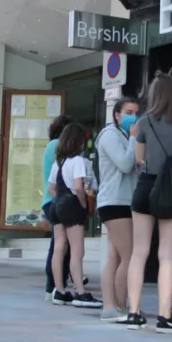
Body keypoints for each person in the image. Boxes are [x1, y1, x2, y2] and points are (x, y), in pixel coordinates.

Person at [125, 70, 172, 333]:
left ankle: (133, 313)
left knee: (138, 252)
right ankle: (165, 316)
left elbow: (139, 160)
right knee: (167, 255)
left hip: (146, 188)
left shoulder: (144, 123)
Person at [47, 123, 102, 308]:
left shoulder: (59, 162)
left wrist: (60, 202)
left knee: (59, 249)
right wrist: (83, 204)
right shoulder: (78, 161)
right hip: (71, 205)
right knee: (77, 251)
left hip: (56, 205)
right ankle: (80, 292)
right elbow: (79, 187)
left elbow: (51, 188)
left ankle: (60, 291)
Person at [95, 96, 139, 322]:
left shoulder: (122, 135)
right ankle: (118, 306)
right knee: (129, 257)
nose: (134, 116)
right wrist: (133, 139)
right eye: (129, 111)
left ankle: (111, 307)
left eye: (136, 112)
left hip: (123, 201)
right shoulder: (110, 135)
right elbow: (124, 164)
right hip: (115, 202)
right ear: (117, 114)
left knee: (115, 257)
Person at [42, 114, 74, 297]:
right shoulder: (56, 146)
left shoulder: (52, 145)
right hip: (56, 200)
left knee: (60, 245)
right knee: (60, 246)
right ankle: (53, 286)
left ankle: (55, 285)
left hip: (53, 200)